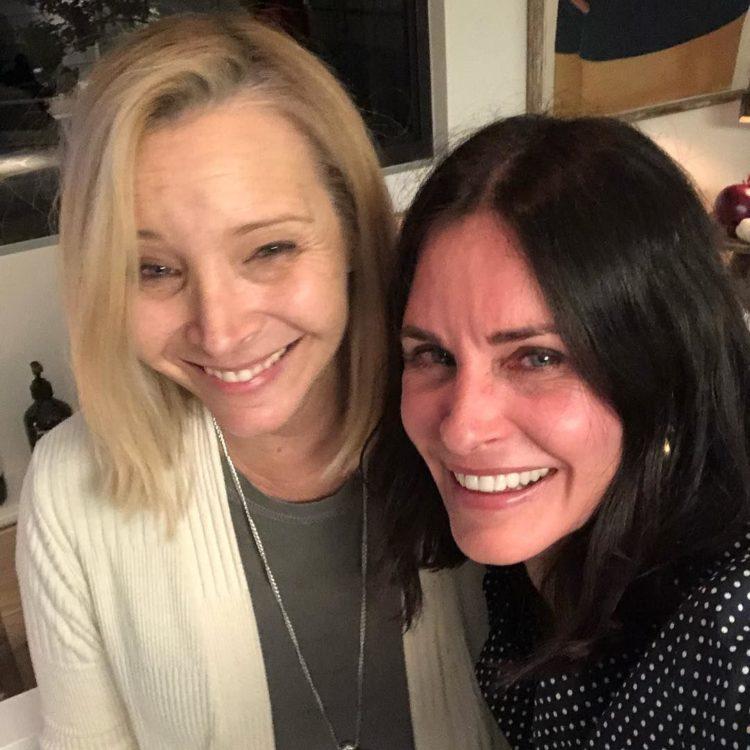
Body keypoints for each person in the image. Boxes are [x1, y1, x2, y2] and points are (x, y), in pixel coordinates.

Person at [15, 14, 502, 750]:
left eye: (270, 249)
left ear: (351, 231)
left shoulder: (470, 428)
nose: (221, 331)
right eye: (154, 268)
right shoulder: (71, 490)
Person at [369, 114, 750, 749]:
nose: (461, 429)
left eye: (539, 358)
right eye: (433, 354)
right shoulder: (529, 574)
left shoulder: (733, 635)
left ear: (664, 365)